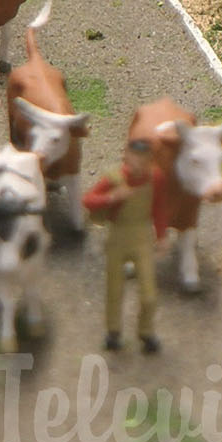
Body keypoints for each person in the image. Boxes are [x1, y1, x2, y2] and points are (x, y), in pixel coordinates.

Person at [83, 139, 164, 353]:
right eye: (133, 158)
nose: (137, 165)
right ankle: (113, 331)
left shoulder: (153, 179)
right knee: (115, 289)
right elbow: (89, 200)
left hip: (143, 237)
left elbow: (159, 208)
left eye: (143, 160)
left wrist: (162, 235)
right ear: (126, 156)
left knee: (149, 294)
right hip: (118, 236)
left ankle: (146, 332)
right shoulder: (114, 179)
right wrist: (111, 197)